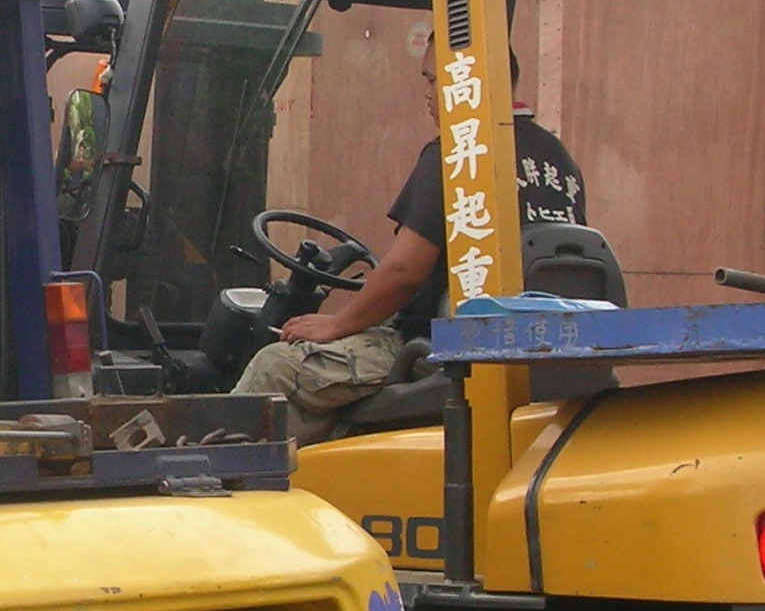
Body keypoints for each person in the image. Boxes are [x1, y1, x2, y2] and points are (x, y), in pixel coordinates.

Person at [235, 44, 585, 442]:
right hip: (528, 345)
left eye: (433, 79)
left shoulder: (458, 153)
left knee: (276, 365)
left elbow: (404, 271)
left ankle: (222, 487)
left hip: (435, 345)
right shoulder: (557, 158)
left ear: (468, 80)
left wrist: (338, 322)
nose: (427, 93)